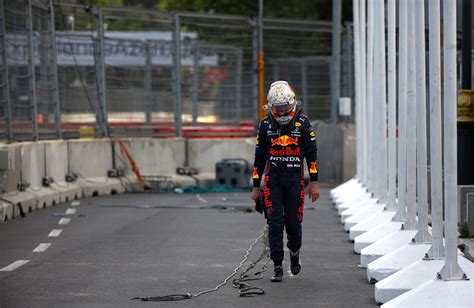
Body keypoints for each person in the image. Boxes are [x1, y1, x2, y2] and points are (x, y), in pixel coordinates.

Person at [250, 80, 320, 282]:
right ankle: (277, 266)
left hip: (295, 180)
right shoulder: (265, 125)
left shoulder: (304, 123)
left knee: (293, 224)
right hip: (273, 181)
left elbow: (312, 155)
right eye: (277, 107)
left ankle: (295, 254)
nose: (281, 111)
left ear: (292, 103)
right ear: (271, 106)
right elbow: (259, 158)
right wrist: (256, 187)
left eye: (284, 107)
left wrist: (314, 183)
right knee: (275, 223)